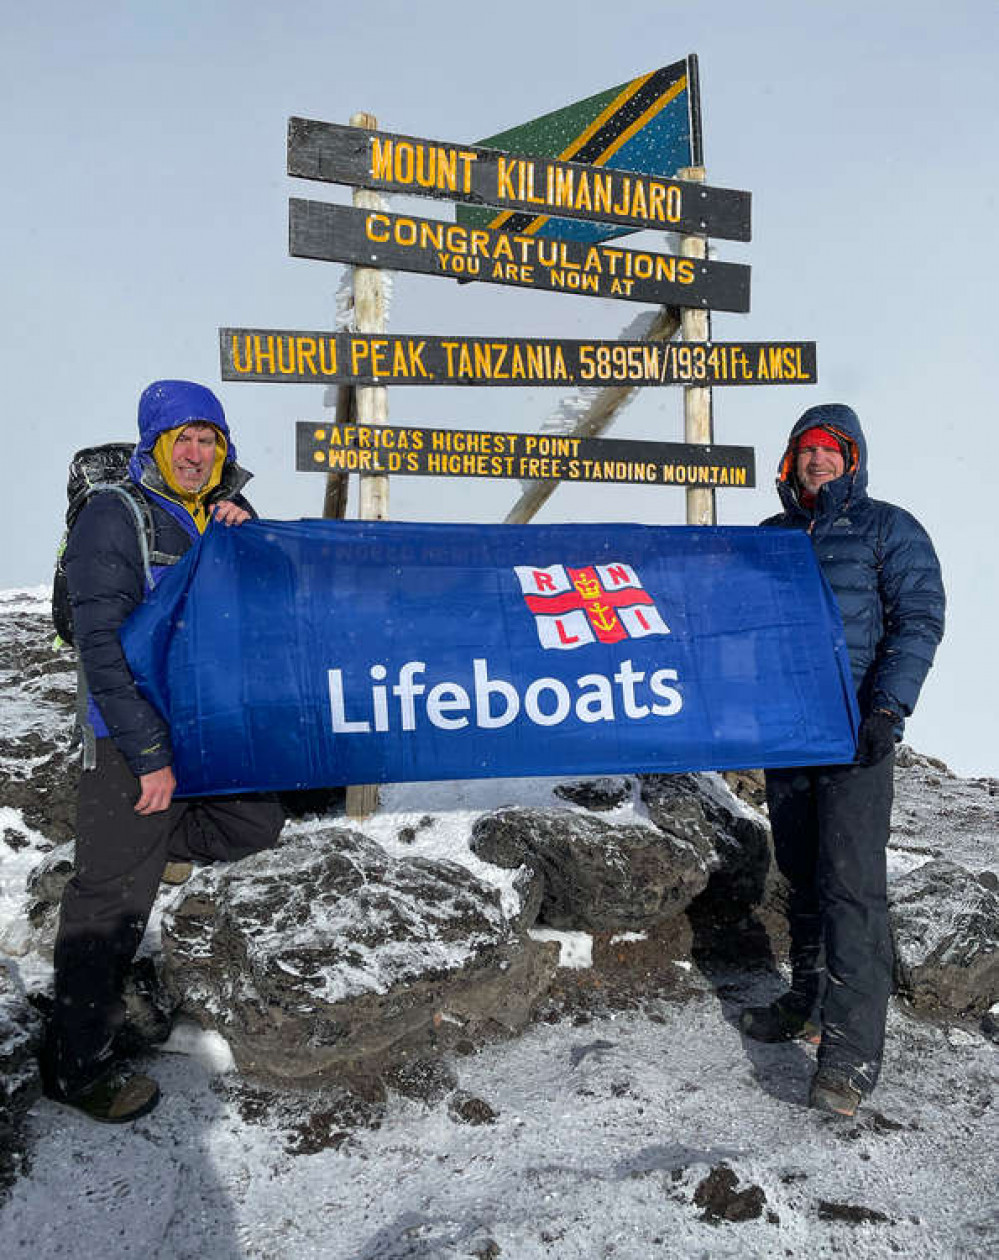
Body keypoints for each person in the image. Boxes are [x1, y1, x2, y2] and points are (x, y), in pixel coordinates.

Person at [41, 380, 285, 1123]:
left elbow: (262, 605)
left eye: (208, 439)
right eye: (182, 437)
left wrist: (243, 535)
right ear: (153, 443)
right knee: (108, 907)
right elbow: (102, 646)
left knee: (252, 823)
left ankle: (150, 843)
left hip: (203, 729)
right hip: (126, 736)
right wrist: (148, 754)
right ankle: (76, 1066)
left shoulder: (214, 515)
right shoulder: (115, 514)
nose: (195, 451)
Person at [740, 403, 945, 1118]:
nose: (818, 460)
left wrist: (887, 707)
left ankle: (850, 1055)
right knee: (799, 877)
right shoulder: (769, 538)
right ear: (790, 461)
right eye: (806, 450)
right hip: (787, 731)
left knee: (852, 887)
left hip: (857, 736)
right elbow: (728, 622)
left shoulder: (889, 529)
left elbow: (918, 619)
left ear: (852, 461)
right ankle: (806, 1000)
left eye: (832, 450)